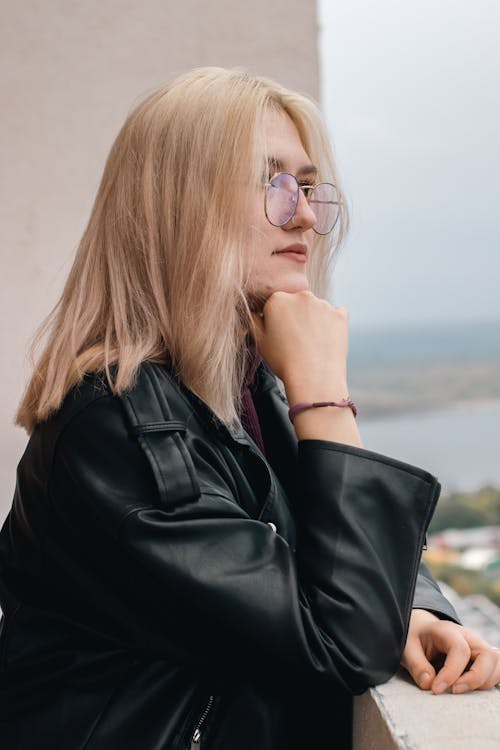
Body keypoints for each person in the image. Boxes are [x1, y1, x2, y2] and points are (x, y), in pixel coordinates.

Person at [0, 67, 498, 750]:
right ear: (175, 207)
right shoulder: (120, 430)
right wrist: (324, 395)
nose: (302, 215)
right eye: (271, 182)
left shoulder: (235, 390)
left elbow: (336, 551)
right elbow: (342, 641)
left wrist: (416, 607)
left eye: (308, 186)